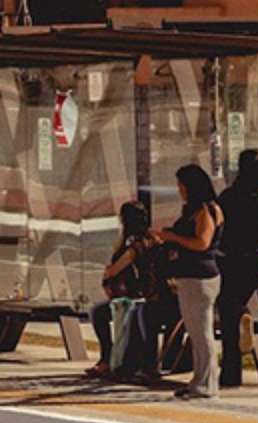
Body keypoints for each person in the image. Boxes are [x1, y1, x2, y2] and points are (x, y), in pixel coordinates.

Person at [153, 163, 225, 400]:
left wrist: (173, 237)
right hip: (192, 275)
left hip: (200, 276)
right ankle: (199, 380)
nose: (179, 190)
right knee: (196, 332)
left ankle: (207, 383)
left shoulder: (206, 210)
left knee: (202, 332)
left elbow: (202, 243)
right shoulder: (198, 210)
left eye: (182, 185)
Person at [216, 151, 258, 388]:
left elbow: (219, 226)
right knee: (234, 306)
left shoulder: (230, 197)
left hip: (230, 259)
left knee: (227, 312)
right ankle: (242, 314)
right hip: (255, 261)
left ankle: (230, 373)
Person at [85, 201, 156, 379]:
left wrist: (107, 276)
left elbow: (115, 268)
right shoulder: (145, 239)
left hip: (135, 297)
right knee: (99, 312)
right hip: (133, 295)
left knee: (98, 313)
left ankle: (109, 359)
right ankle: (107, 358)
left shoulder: (135, 244)